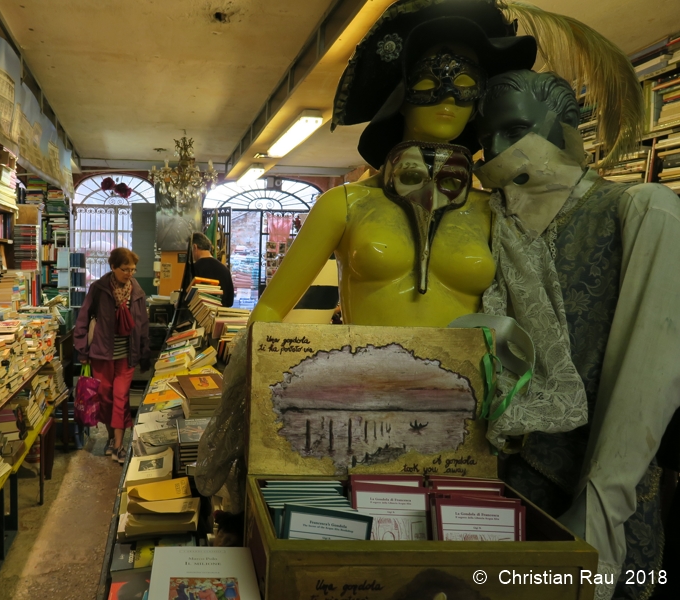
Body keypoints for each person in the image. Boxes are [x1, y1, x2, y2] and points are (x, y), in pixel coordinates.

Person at [195, 0, 538, 513]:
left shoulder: (500, 212)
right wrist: (248, 386)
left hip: (466, 420)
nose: (446, 97)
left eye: (464, 83)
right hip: (357, 409)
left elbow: (527, 315)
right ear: (400, 95)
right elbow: (271, 309)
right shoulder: (345, 203)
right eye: (427, 83)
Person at [474, 69, 679, 600]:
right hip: (488, 504)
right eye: (486, 136)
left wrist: (599, 509)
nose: (496, 150)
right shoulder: (484, 223)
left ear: (566, 124)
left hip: (597, 508)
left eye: (515, 129)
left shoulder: (639, 210)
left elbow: (649, 375)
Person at [74, 247, 151, 465]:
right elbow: (83, 319)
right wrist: (82, 351)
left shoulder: (137, 292)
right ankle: (110, 438)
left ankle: (118, 445)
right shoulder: (99, 289)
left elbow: (142, 325)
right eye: (125, 269)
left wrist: (145, 353)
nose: (130, 274)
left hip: (126, 355)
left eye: (133, 269)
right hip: (101, 354)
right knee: (106, 399)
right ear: (113, 267)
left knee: (120, 397)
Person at [189, 232, 234, 307]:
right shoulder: (225, 270)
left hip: (199, 316)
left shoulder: (193, 269)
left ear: (195, 247)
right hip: (220, 316)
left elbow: (187, 298)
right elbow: (230, 301)